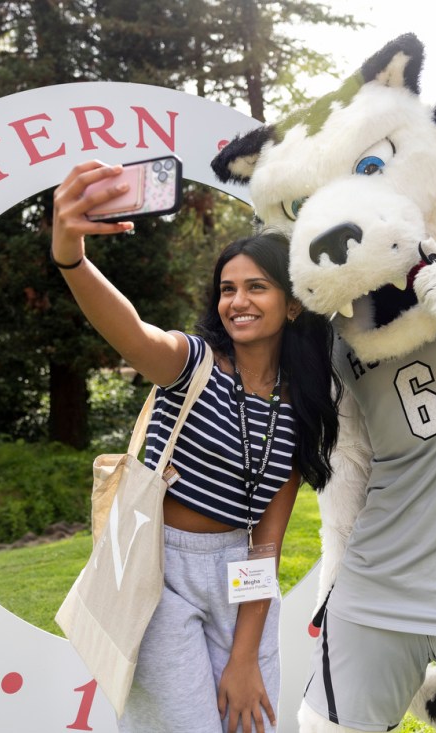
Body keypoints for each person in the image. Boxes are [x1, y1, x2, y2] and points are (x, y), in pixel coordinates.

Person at [51, 160, 342, 733]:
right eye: (228, 288)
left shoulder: (299, 401)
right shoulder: (192, 364)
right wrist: (71, 257)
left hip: (242, 572)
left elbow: (266, 547)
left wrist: (243, 656)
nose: (238, 300)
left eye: (257, 286)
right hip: (158, 572)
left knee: (250, 722)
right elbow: (133, 333)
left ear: (293, 303)